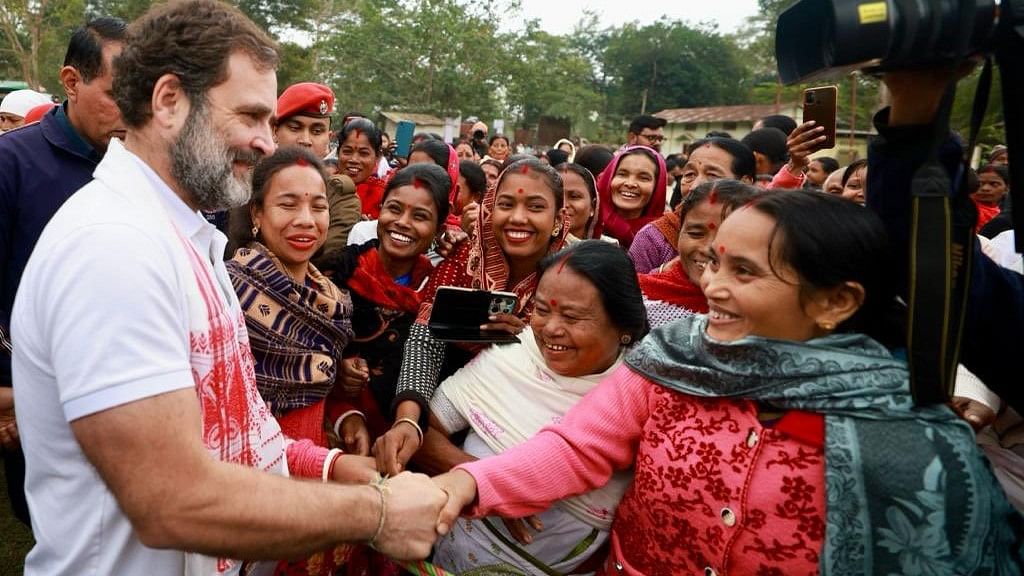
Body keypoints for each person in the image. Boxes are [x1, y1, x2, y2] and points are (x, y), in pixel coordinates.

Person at [10, 3, 445, 574]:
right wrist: (377, 513)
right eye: (251, 116)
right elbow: (171, 501)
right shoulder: (113, 246)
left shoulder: (186, 236)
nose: (269, 142)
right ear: (169, 101)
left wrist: (331, 467)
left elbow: (234, 436)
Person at [435, 190, 1020, 575]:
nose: (711, 286)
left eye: (743, 271)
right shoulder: (675, 361)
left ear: (835, 301)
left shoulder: (908, 432)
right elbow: (575, 447)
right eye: (714, 261)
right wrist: (464, 488)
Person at [423, 241, 647, 574]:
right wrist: (485, 485)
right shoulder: (513, 356)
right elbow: (423, 431)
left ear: (624, 328)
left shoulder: (640, 395)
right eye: (542, 310)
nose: (550, 329)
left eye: (571, 316)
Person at [0, 16, 127, 528]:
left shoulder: (142, 165)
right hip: (25, 401)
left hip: (120, 395)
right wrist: (10, 390)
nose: (134, 111)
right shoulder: (12, 163)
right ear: (71, 82)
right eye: (118, 93)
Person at [227, 147, 378, 575]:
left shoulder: (330, 300)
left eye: (318, 206)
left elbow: (317, 392)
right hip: (255, 490)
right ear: (256, 213)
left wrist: (347, 416)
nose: (306, 221)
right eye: (287, 204)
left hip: (315, 480)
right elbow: (240, 423)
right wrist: (330, 464)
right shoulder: (231, 296)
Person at [375, 158, 570, 477]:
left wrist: (524, 344)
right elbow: (426, 342)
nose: (517, 218)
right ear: (490, 209)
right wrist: (408, 418)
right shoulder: (465, 257)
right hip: (436, 414)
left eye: (535, 207)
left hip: (523, 432)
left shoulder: (572, 278)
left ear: (560, 219)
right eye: (506, 204)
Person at [321, 164, 450, 450]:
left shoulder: (436, 295)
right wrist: (337, 371)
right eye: (394, 209)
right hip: (333, 431)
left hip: (410, 444)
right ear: (380, 210)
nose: (403, 222)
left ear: (439, 229)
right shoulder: (337, 273)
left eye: (420, 216)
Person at [639, 179, 760, 327]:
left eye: (726, 235)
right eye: (696, 234)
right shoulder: (639, 300)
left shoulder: (767, 310)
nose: (707, 248)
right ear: (679, 233)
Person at [629, 137, 755, 273]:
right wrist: (663, 273)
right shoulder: (653, 238)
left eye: (712, 175)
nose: (694, 186)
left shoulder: (764, 234)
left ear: (745, 183)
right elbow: (631, 289)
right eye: (689, 174)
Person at [593, 145, 667, 249]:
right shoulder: (589, 224)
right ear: (609, 178)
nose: (630, 183)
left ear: (657, 187)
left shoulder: (664, 238)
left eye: (643, 178)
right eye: (622, 174)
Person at [338, 117, 389, 219]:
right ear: (338, 152)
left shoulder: (385, 198)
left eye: (363, 153)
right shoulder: (322, 187)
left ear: (377, 156)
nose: (354, 159)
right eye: (347, 151)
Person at [560, 162, 613, 244]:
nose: (564, 205)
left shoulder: (608, 249)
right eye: (558, 196)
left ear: (593, 206)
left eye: (574, 196)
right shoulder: (538, 251)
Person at [976, 163, 1012, 237]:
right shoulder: (966, 212)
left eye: (994, 184)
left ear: (1007, 188)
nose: (985, 188)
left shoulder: (1005, 213)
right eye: (980, 184)